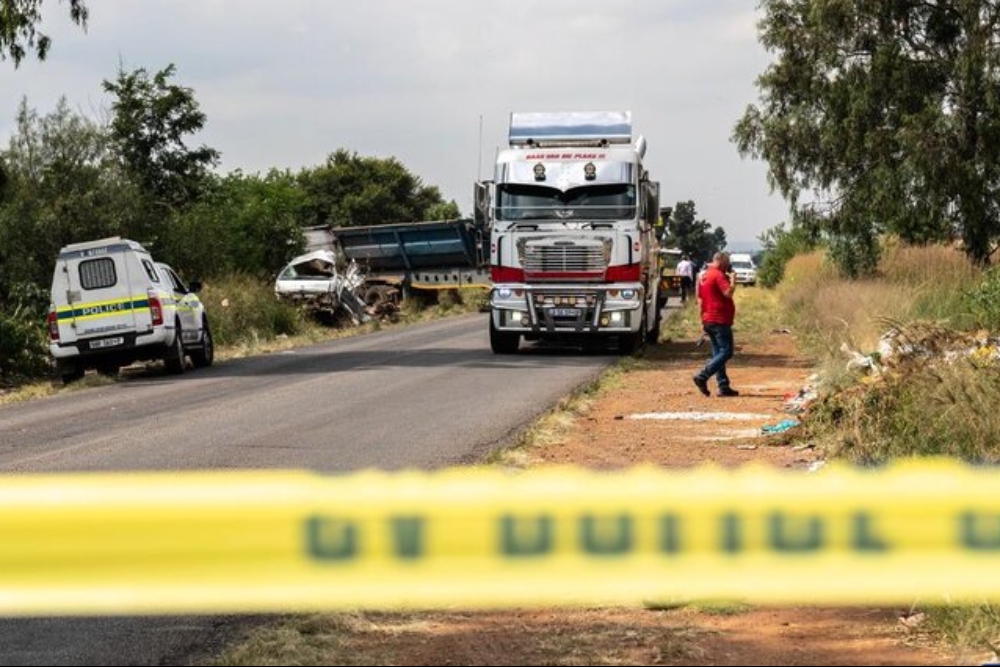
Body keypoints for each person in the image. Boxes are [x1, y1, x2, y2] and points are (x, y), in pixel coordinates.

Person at [693, 252, 739, 397]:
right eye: (727, 262)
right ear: (721, 261)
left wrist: (702, 320)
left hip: (708, 319)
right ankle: (703, 376)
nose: (728, 266)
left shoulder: (704, 276)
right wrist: (733, 280)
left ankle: (723, 386)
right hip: (719, 320)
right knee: (727, 351)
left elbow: (699, 299)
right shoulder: (718, 275)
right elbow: (728, 293)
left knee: (718, 354)